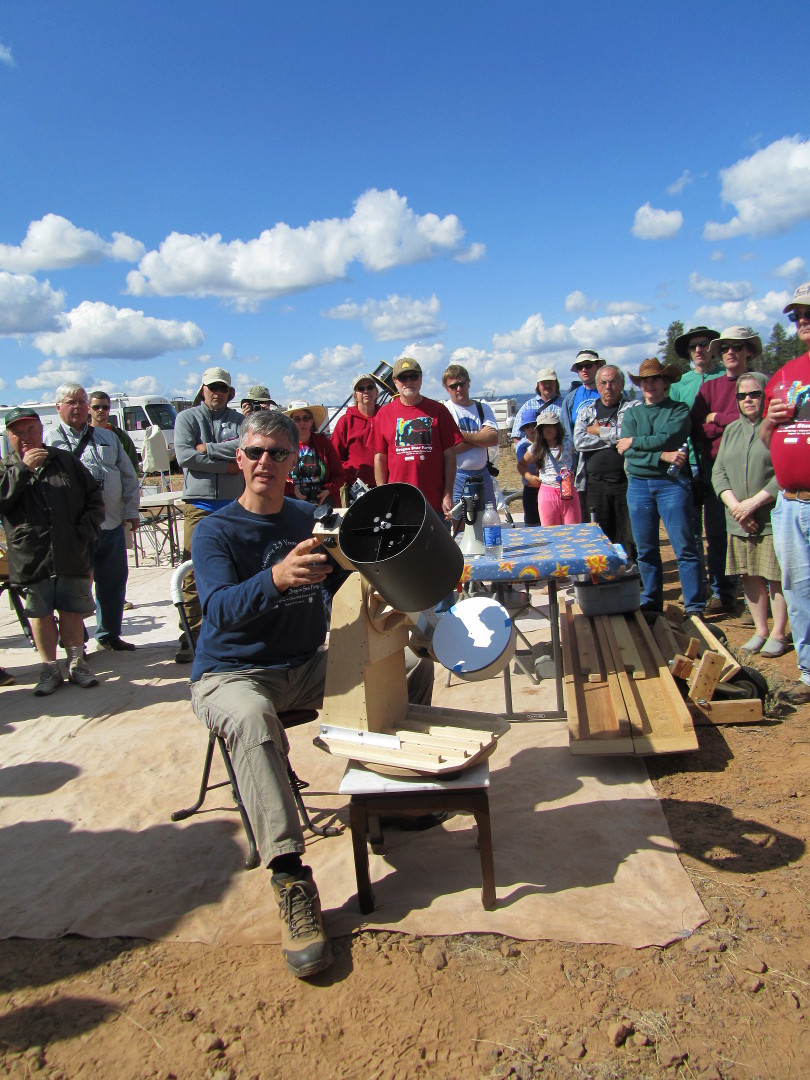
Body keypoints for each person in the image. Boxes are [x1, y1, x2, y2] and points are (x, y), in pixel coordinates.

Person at [190, 410, 433, 978]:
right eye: (254, 452)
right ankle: (290, 877)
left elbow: (345, 580)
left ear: (296, 460)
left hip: (303, 666)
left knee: (410, 665)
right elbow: (218, 611)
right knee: (251, 720)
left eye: (278, 453)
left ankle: (390, 801)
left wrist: (388, 583)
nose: (265, 463)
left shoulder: (307, 518)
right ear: (238, 459)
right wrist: (273, 578)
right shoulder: (216, 531)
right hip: (232, 673)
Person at [1, 407, 105, 695]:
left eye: (30, 430)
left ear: (41, 430)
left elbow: (94, 499)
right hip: (31, 557)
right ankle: (49, 669)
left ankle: (76, 664)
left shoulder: (65, 462)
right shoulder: (5, 468)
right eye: (17, 432)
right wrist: (23, 470)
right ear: (8, 436)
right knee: (40, 613)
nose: (24, 437)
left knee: (72, 610)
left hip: (70, 552)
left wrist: (84, 531)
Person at [45, 383, 140, 652]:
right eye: (70, 402)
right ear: (58, 407)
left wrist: (132, 511)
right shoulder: (50, 441)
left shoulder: (108, 438)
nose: (77, 407)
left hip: (110, 523)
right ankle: (74, 641)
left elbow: (129, 476)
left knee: (113, 581)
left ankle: (109, 634)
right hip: (73, 530)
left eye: (81, 402)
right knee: (74, 587)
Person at [618, 359, 704, 616]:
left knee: (685, 546)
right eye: (645, 380)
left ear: (665, 382)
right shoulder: (633, 414)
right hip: (639, 485)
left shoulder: (678, 410)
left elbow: (669, 437)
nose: (649, 384)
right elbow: (628, 454)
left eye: (655, 379)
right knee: (645, 549)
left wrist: (635, 441)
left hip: (672, 484)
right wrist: (661, 456)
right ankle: (651, 602)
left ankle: (694, 607)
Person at [712, 372, 787, 656]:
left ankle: (778, 633)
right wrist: (736, 507)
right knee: (749, 576)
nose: (748, 400)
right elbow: (718, 473)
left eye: (754, 394)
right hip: (738, 518)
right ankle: (760, 630)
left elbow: (784, 473)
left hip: (768, 515)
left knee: (774, 577)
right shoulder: (731, 430)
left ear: (766, 395)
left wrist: (752, 505)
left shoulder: (778, 427)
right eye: (742, 396)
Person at [760, 281, 810, 705]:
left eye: (809, 312)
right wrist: (770, 421)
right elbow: (764, 439)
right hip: (790, 504)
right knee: (798, 590)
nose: (803, 320)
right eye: (797, 315)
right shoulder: (785, 376)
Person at [173, 366, 244, 662]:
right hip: (199, 505)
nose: (217, 393)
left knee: (237, 570)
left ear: (230, 392)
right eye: (212, 387)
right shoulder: (186, 418)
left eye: (222, 388)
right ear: (202, 389)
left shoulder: (241, 421)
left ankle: (232, 631)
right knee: (191, 571)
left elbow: (245, 445)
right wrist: (225, 465)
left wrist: (209, 449)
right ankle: (190, 634)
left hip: (232, 504)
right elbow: (185, 456)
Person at [691, 327, 762, 615]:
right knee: (718, 532)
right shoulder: (709, 388)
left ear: (748, 352)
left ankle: (759, 599)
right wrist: (735, 422)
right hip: (715, 467)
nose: (730, 352)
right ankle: (724, 591)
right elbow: (697, 426)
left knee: (756, 530)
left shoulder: (760, 383)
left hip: (755, 466)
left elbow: (760, 419)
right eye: (725, 348)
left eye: (737, 347)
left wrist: (718, 418)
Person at [372, 357, 461, 518]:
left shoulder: (439, 411)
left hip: (435, 504)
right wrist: (383, 494)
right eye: (402, 377)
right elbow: (380, 458)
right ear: (395, 381)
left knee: (437, 544)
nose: (408, 381)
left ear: (420, 379)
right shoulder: (383, 415)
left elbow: (450, 455)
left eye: (413, 376)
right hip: (398, 504)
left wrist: (448, 493)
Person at [573, 365, 638, 558]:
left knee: (628, 531)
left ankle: (634, 575)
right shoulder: (587, 411)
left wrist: (599, 431)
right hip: (594, 483)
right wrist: (614, 439)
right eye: (603, 382)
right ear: (597, 385)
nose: (608, 387)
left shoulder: (633, 409)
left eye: (612, 382)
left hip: (624, 481)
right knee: (601, 532)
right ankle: (606, 578)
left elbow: (631, 436)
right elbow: (579, 441)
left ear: (621, 384)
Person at [442, 363, 499, 509]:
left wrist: (459, 435)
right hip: (457, 476)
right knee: (459, 522)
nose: (459, 389)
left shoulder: (482, 408)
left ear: (468, 383)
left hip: (483, 474)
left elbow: (493, 439)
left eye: (462, 384)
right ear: (447, 389)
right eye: (453, 386)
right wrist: (481, 439)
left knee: (488, 519)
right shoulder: (444, 410)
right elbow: (450, 448)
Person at [519, 409, 580, 526]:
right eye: (544, 426)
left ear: (558, 427)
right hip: (547, 493)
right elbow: (521, 465)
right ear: (540, 430)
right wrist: (529, 477)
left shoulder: (568, 443)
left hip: (569, 491)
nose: (548, 429)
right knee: (550, 531)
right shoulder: (536, 448)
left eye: (551, 425)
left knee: (573, 530)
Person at [284, 401, 346, 506]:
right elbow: (275, 478)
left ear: (311, 421)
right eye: (297, 419)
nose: (302, 422)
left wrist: (327, 490)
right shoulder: (283, 445)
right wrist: (293, 490)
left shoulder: (324, 444)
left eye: (306, 418)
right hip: (292, 503)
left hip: (323, 501)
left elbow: (339, 475)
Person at [330, 374, 381, 494]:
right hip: (355, 488)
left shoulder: (386, 418)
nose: (366, 391)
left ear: (376, 393)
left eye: (370, 387)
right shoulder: (345, 421)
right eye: (361, 389)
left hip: (384, 484)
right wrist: (351, 473)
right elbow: (334, 457)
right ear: (355, 395)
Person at [88, 391, 140, 474]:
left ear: (109, 409)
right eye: (96, 407)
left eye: (105, 407)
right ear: (89, 408)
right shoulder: (82, 435)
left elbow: (132, 466)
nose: (100, 410)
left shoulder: (120, 436)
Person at [510, 366, 563, 440]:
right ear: (538, 385)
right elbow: (517, 435)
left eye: (550, 382)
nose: (547, 385)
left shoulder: (565, 404)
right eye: (544, 383)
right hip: (534, 450)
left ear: (556, 384)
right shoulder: (527, 406)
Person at [515, 410, 540, 525]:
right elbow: (522, 464)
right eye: (527, 426)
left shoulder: (547, 443)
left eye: (534, 425)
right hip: (530, 487)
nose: (531, 429)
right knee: (532, 523)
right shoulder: (522, 445)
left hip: (546, 487)